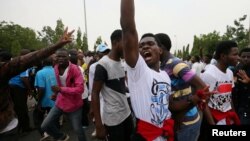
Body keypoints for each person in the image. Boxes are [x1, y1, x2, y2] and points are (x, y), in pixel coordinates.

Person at [120, 0, 183, 140]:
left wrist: (195, 99)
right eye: (141, 46)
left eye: (150, 44)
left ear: (160, 50)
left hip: (166, 133)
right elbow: (128, 29)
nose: (145, 47)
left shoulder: (165, 76)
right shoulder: (138, 70)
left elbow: (168, 104)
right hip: (145, 136)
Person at [0, 27, 74, 141]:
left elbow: (31, 61)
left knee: (41, 118)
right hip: (53, 101)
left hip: (6, 127)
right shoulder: (54, 71)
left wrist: (38, 100)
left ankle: (52, 135)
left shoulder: (5, 69)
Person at [155, 33, 214, 141]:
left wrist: (181, 114)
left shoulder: (176, 65)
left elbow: (202, 88)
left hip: (186, 123)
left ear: (161, 48)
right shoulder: (163, 64)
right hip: (178, 120)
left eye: (152, 45)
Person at [91, 30, 133, 141]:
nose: (128, 48)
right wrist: (99, 125)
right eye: (126, 44)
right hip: (113, 119)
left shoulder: (121, 62)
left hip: (126, 114)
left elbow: (121, 87)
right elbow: (95, 93)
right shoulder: (103, 65)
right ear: (116, 42)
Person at [40, 48, 87, 141]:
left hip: (74, 104)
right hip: (60, 102)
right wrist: (56, 93)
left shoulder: (75, 69)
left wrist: (61, 89)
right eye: (58, 56)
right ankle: (61, 136)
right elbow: (60, 84)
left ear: (68, 57)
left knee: (78, 130)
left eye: (63, 56)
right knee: (45, 125)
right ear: (55, 58)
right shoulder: (55, 68)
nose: (61, 58)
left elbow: (80, 89)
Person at [200, 40, 240, 125]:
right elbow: (204, 103)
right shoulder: (209, 74)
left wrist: (233, 115)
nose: (238, 58)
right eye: (235, 55)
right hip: (215, 118)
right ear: (223, 56)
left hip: (227, 117)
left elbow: (229, 97)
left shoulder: (229, 72)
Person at [34, 56, 58, 137]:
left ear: (42, 63)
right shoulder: (56, 71)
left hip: (45, 101)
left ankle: (44, 134)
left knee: (38, 117)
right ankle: (56, 134)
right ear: (52, 63)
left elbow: (41, 88)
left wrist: (39, 102)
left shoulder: (40, 73)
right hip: (56, 100)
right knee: (54, 118)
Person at [232, 47, 250, 125]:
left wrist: (249, 82)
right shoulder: (236, 69)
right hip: (240, 107)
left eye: (249, 57)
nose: (246, 59)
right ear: (240, 57)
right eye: (243, 57)